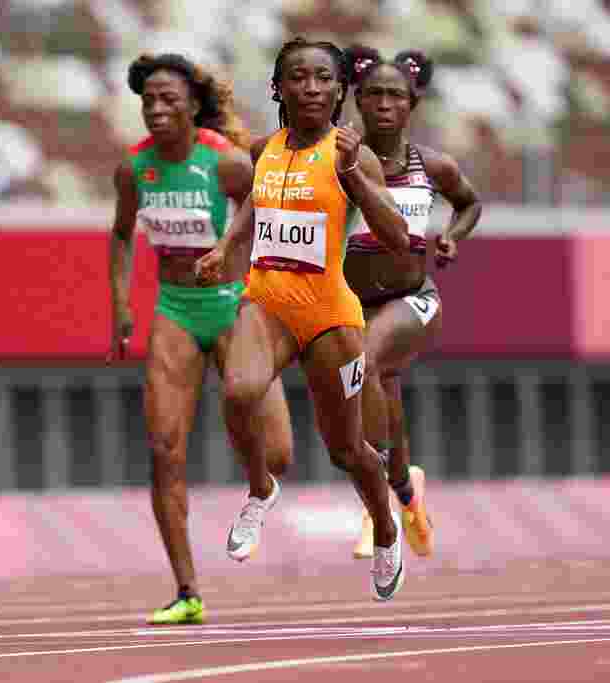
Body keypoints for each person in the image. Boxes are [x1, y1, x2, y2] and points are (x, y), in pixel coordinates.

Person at [195, 37, 410, 601]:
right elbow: (252, 206)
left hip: (330, 317)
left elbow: (397, 238)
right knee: (239, 392)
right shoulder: (264, 148)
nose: (310, 88)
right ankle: (261, 489)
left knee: (348, 450)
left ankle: (386, 530)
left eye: (322, 78)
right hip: (265, 301)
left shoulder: (352, 153)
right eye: (298, 77)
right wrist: (225, 248)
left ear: (340, 91)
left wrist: (354, 177)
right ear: (279, 88)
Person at [108, 53, 295, 625]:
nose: (157, 110)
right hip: (175, 308)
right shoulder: (134, 169)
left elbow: (272, 211)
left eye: (169, 99)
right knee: (164, 451)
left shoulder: (226, 163)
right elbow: (120, 236)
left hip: (235, 305)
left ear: (193, 105)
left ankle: (260, 486)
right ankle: (187, 589)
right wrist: (120, 305)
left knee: (280, 454)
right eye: (148, 101)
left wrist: (236, 254)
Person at [343, 46, 483, 560]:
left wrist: (452, 236)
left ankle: (373, 503)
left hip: (413, 300)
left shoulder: (433, 165)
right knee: (384, 400)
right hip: (355, 305)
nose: (384, 104)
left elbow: (469, 203)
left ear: (412, 104)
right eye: (374, 94)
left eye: (395, 95)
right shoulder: (339, 163)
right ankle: (406, 492)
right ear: (356, 100)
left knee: (365, 360)